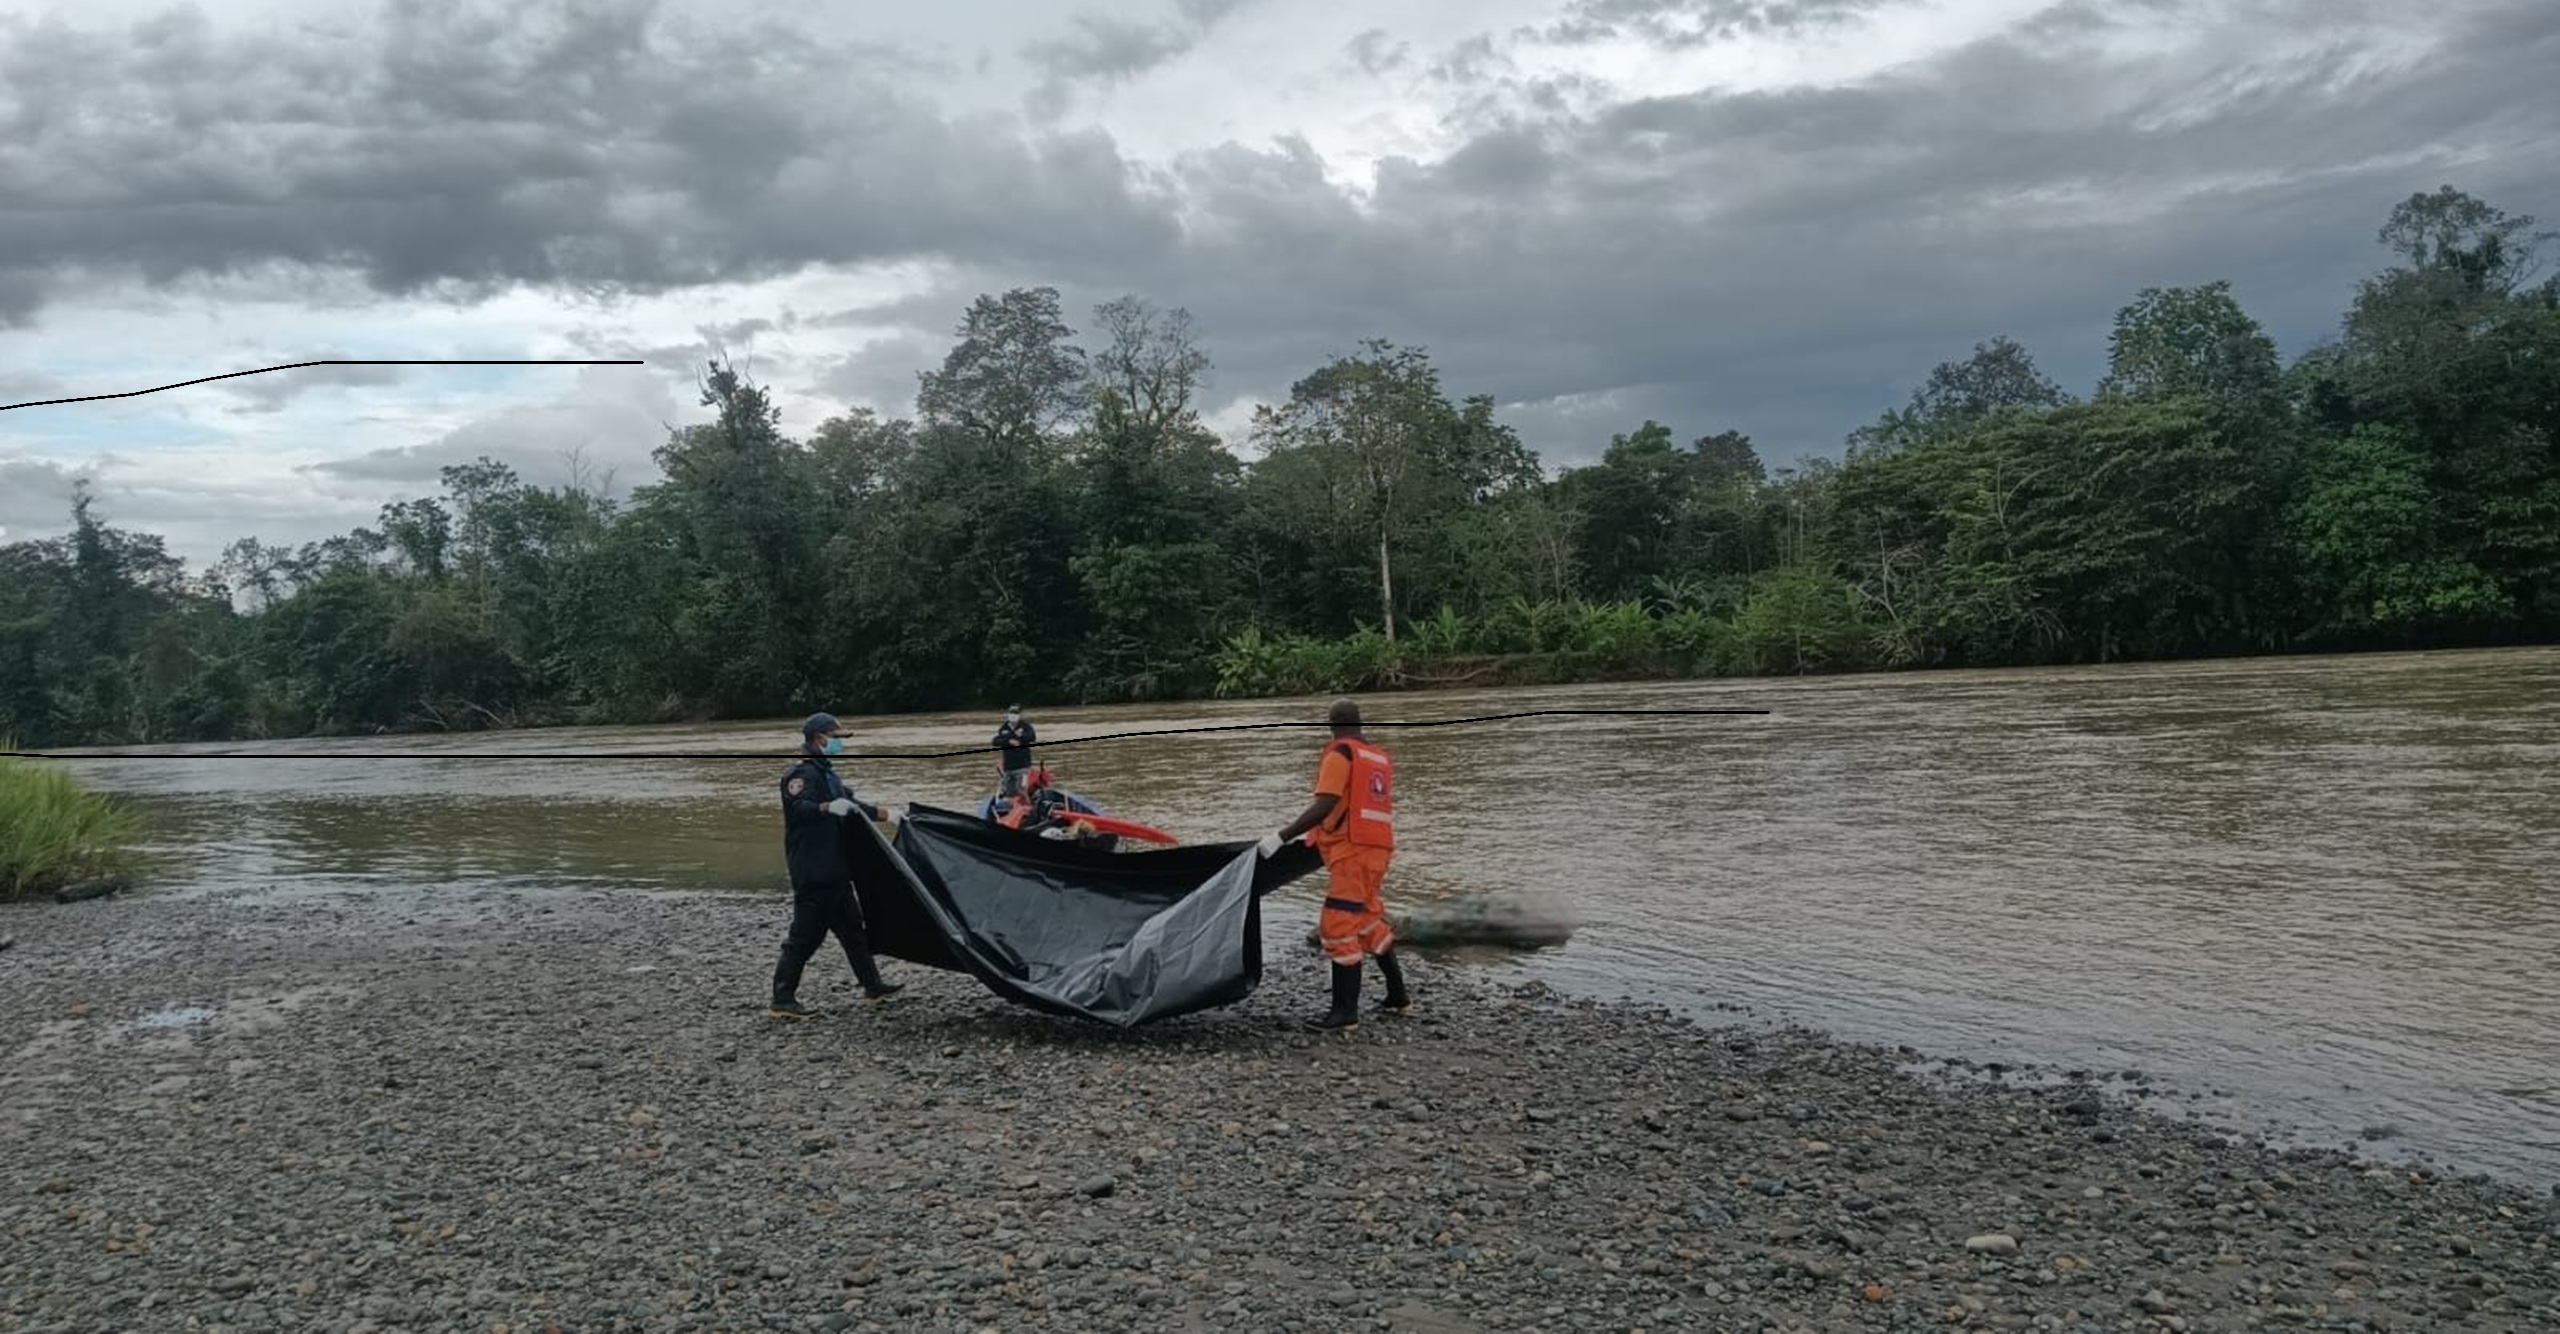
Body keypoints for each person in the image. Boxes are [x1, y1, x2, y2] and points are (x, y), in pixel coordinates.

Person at [1260, 697, 1409, 1029]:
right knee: (1367, 918)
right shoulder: (1378, 757)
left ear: (1331, 725)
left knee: (1337, 925)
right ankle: (1398, 997)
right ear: (1360, 723)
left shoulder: (1340, 753)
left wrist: (1280, 837)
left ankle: (1344, 1013)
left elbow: (1325, 804)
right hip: (1379, 850)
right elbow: (1353, 807)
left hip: (1352, 853)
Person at [768, 711, 905, 1019]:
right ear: (819, 739)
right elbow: (799, 808)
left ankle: (873, 986)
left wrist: (888, 815)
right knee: (804, 938)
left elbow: (853, 806)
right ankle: (782, 999)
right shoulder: (800, 776)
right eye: (836, 739)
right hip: (814, 872)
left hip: (836, 870)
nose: (839, 744)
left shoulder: (828, 775)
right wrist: (827, 807)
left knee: (853, 931)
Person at [994, 705, 1037, 796]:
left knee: (1021, 790)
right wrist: (1009, 741)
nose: (1013, 715)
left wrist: (1021, 736)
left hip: (1023, 766)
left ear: (1020, 714)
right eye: (1011, 713)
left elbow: (1032, 737)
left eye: (1016, 713)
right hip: (1008, 767)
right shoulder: (1004, 728)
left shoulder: (1026, 726)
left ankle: (1026, 803)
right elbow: (996, 741)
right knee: (1009, 792)